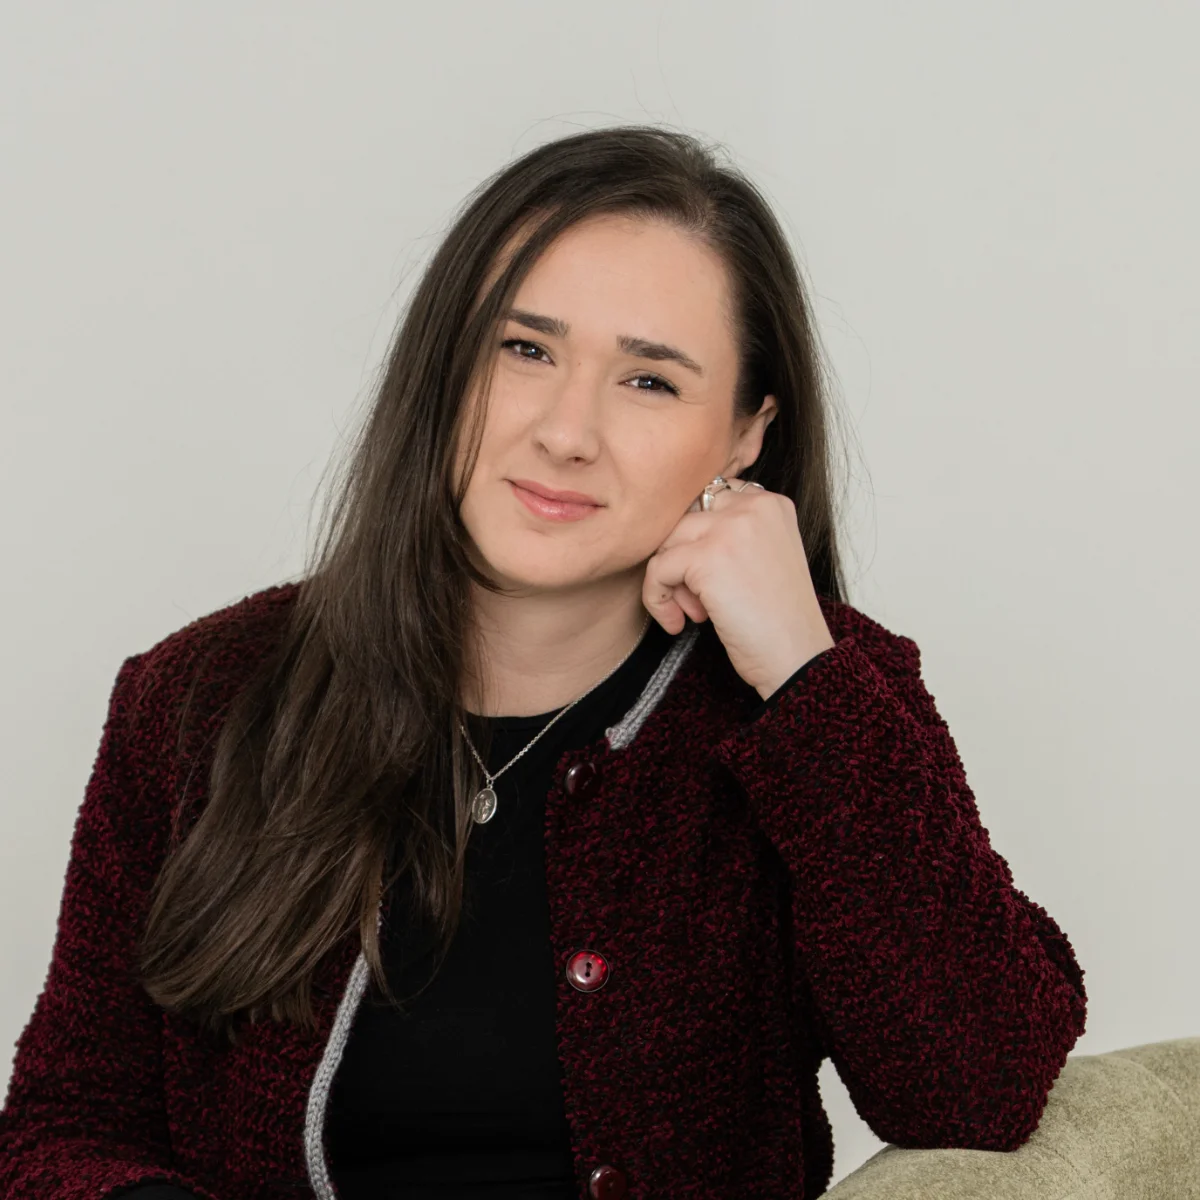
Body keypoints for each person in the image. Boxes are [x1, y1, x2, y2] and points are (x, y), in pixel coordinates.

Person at [0, 126, 1087, 1200]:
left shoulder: (820, 698)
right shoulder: (203, 696)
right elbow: (65, 1127)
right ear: (444, 365)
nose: (567, 433)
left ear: (746, 434)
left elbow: (978, 1090)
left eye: (649, 381)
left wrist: (803, 679)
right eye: (525, 350)